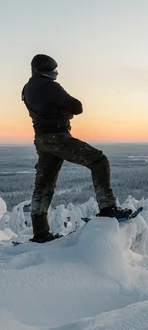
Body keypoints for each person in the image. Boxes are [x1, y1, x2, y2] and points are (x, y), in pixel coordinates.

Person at [22, 54, 132, 243]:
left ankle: (40, 232)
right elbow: (77, 106)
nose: (54, 74)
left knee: (43, 185)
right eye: (52, 71)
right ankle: (107, 207)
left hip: (41, 140)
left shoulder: (27, 88)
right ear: (43, 71)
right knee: (98, 160)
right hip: (58, 137)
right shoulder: (50, 86)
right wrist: (65, 112)